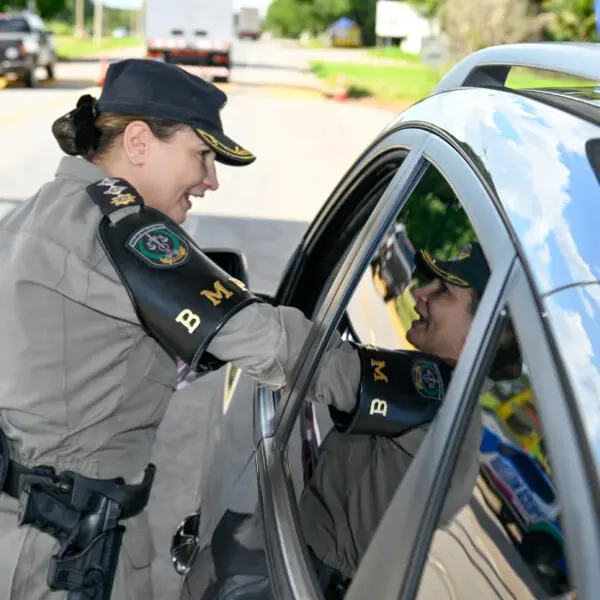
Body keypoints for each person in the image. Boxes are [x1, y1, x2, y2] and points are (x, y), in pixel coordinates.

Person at [0, 58, 454, 600]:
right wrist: (423, 385)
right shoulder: (118, 231)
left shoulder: (37, 215)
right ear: (140, 142)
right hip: (67, 557)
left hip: (35, 526)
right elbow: (268, 342)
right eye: (203, 155)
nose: (211, 180)